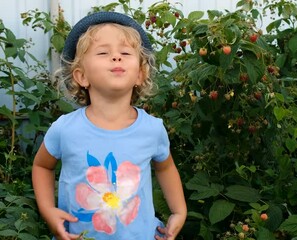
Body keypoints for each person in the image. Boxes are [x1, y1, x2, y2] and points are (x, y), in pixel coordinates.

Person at [32, 11, 187, 240]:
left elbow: (165, 167)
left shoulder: (152, 129)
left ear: (140, 75)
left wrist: (179, 211)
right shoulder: (65, 129)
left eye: (125, 52)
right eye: (103, 52)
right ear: (81, 76)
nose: (116, 57)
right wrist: (48, 211)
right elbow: (42, 167)